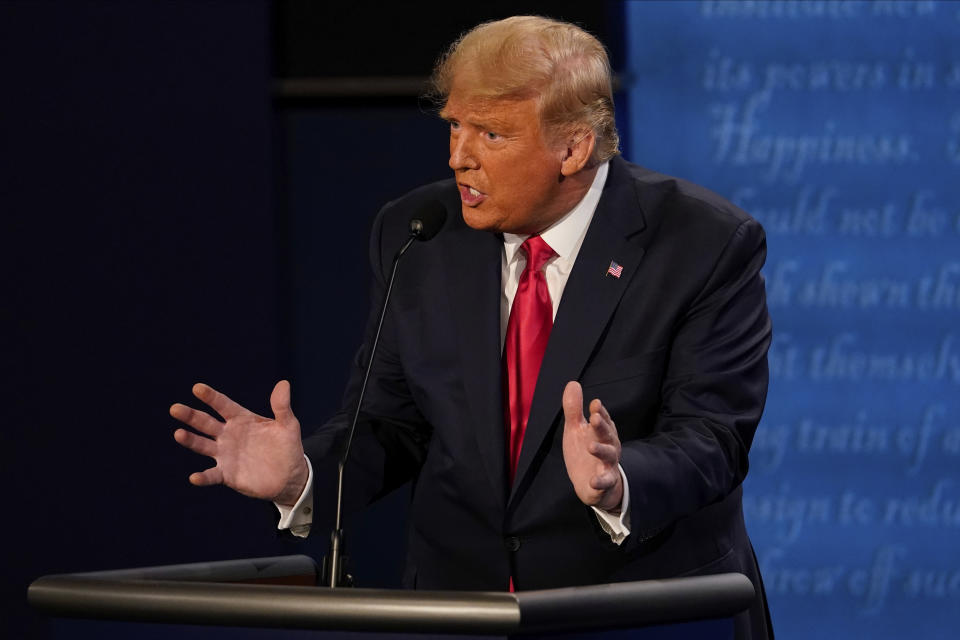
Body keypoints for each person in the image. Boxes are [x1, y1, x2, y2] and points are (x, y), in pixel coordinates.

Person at [171, 16, 773, 639]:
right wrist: (307, 477)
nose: (460, 157)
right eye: (455, 126)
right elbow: (388, 423)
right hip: (460, 611)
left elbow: (713, 437)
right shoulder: (418, 233)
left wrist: (619, 479)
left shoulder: (702, 243)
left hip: (634, 610)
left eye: (491, 133)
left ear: (572, 148)